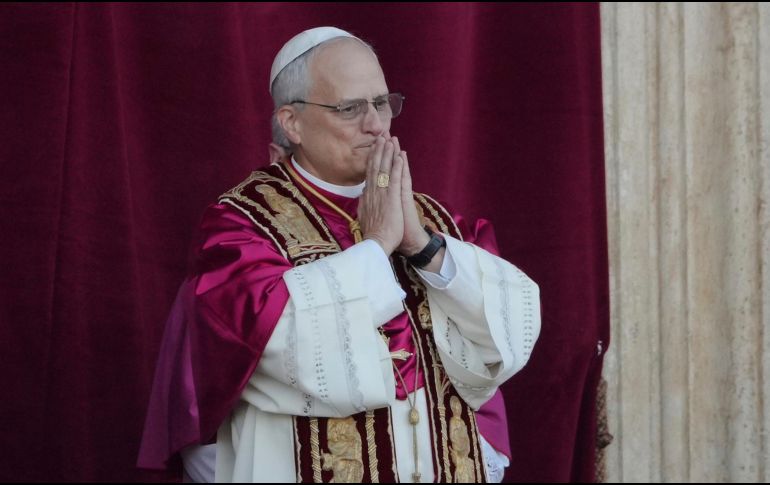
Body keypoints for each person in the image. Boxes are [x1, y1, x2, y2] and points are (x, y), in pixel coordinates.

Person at [138, 27, 541, 483]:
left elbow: (509, 334)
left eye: (382, 103)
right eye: (350, 109)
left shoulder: (434, 220)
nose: (376, 124)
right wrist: (377, 246)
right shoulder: (243, 224)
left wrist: (421, 246)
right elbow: (274, 345)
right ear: (292, 123)